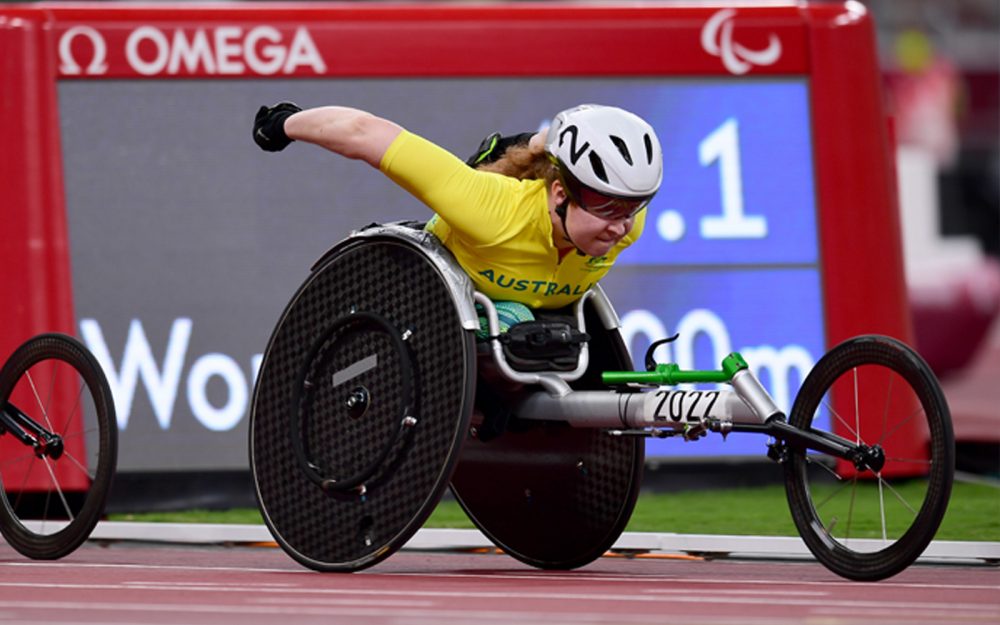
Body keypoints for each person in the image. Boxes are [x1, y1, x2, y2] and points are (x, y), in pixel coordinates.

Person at [252, 101, 663, 318]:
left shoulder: (630, 226)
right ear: (559, 194)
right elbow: (364, 133)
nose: (619, 226)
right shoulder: (489, 209)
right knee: (513, 317)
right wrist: (283, 123)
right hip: (435, 311)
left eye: (632, 208)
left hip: (544, 333)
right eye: (605, 207)